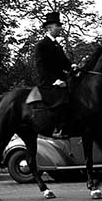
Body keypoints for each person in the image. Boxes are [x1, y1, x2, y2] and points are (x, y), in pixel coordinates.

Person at [34, 11, 78, 139]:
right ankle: (56, 129)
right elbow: (41, 67)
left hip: (62, 81)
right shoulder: (42, 45)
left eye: (60, 25)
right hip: (48, 83)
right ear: (49, 28)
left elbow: (64, 63)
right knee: (62, 98)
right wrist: (55, 81)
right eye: (57, 26)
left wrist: (72, 66)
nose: (60, 28)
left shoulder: (57, 45)